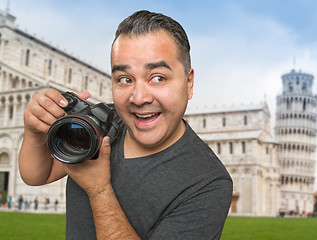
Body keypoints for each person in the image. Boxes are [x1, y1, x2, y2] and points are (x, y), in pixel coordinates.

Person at [18, 10, 232, 239]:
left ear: (188, 83)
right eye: (125, 79)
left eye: (158, 77)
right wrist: (34, 131)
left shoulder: (208, 182)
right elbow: (37, 175)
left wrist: (99, 190)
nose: (139, 98)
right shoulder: (100, 124)